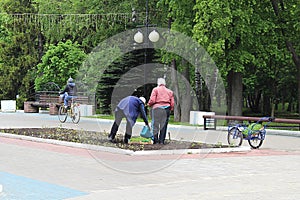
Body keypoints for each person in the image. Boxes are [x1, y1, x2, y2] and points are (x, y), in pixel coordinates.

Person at [148, 78, 174, 144]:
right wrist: (170, 109)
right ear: (164, 83)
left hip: (157, 108)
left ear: (158, 83)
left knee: (155, 125)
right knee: (164, 125)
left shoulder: (155, 89)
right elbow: (172, 103)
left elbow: (152, 100)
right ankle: (161, 141)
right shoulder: (170, 91)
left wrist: (149, 104)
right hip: (166, 109)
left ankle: (155, 141)